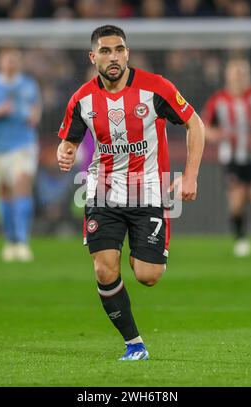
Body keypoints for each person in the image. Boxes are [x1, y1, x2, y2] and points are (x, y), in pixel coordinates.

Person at [57, 25, 205, 360]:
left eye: (119, 50)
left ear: (128, 53)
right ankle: (134, 343)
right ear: (92, 57)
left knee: (148, 275)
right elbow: (69, 141)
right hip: (103, 191)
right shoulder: (81, 99)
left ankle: (141, 254)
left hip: (148, 190)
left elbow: (194, 123)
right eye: (105, 51)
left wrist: (190, 175)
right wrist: (63, 152)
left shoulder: (155, 89)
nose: (113, 57)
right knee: (104, 269)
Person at [203, 57, 251, 257]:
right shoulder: (218, 100)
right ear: (228, 76)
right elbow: (205, 127)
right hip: (232, 159)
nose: (239, 77)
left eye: (243, 73)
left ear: (248, 75)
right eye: (236, 73)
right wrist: (215, 135)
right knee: (236, 202)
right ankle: (241, 239)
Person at [0, 48, 42, 261]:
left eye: (15, 59)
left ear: (19, 62)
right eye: (8, 59)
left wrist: (34, 116)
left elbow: (36, 107)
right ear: (0, 62)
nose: (11, 62)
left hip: (23, 144)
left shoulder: (28, 85)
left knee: (22, 185)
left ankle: (23, 242)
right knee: (4, 192)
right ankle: (11, 240)